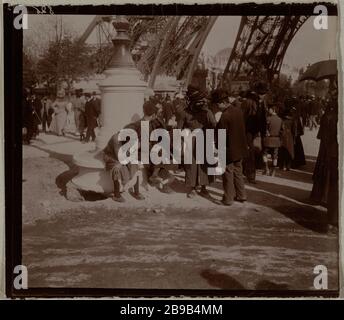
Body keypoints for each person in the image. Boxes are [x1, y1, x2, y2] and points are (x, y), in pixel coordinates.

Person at [177, 85, 217, 199]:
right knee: (192, 165)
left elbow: (214, 126)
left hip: (205, 139)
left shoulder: (207, 112)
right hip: (190, 141)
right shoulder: (184, 113)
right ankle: (192, 188)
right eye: (197, 101)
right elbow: (178, 129)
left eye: (201, 101)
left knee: (205, 165)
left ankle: (204, 188)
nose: (200, 103)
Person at [311, 87, 338, 230]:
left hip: (329, 150)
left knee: (333, 183)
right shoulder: (334, 113)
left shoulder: (329, 113)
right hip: (333, 150)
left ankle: (331, 219)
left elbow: (323, 133)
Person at [216, 89, 248, 206]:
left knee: (228, 173)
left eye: (218, 104)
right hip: (240, 148)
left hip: (229, 150)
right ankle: (242, 195)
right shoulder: (238, 111)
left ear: (224, 102)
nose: (218, 106)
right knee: (238, 172)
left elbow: (221, 135)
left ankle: (228, 198)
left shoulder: (225, 116)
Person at [262, 105, 282, 176]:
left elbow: (264, 129)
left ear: (273, 110)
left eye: (269, 109)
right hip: (276, 140)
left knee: (264, 154)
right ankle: (273, 171)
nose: (268, 110)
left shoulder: (268, 119)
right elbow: (282, 131)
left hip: (268, 139)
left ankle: (266, 168)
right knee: (275, 156)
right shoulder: (280, 120)